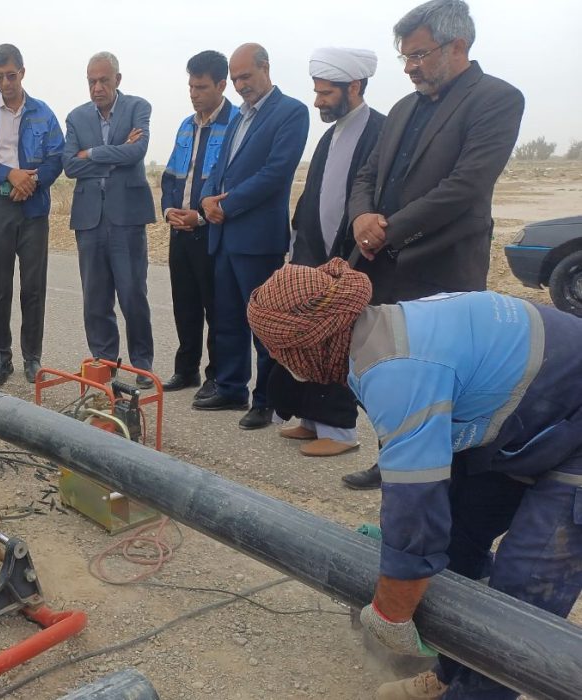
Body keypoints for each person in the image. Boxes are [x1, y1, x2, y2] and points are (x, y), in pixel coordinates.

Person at [248, 259, 582, 700]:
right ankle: (452, 673)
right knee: (460, 537)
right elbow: (422, 489)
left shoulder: (394, 369)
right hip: (532, 418)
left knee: (524, 587)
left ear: (308, 344)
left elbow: (416, 512)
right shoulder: (381, 330)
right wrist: (403, 554)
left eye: (279, 352)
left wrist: (389, 612)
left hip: (566, 419)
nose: (280, 362)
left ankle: (475, 693)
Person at [341, 0, 525, 489]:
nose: (410, 69)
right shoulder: (403, 109)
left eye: (419, 56)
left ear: (457, 45)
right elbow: (367, 173)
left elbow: (467, 185)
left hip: (442, 267)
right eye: (405, 58)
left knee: (442, 377)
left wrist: (390, 227)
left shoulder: (497, 99)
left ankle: (445, 475)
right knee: (388, 368)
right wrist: (362, 215)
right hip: (381, 266)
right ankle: (394, 461)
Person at [270, 47, 385, 458]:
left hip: (350, 260)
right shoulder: (330, 134)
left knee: (338, 342)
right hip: (314, 254)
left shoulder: (380, 132)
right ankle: (311, 419)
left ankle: (340, 431)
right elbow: (315, 196)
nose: (317, 101)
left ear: (353, 87)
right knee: (310, 338)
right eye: (316, 92)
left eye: (325, 93)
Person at [194, 43, 309, 428]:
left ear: (265, 68)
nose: (240, 85)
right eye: (236, 78)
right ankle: (230, 387)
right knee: (226, 318)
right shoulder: (239, 118)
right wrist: (207, 199)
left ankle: (267, 400)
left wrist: (226, 205)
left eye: (246, 76)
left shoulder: (291, 112)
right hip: (224, 237)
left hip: (257, 239)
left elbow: (276, 173)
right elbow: (220, 168)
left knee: (264, 324)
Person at [0, 43, 65, 387]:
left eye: (10, 75)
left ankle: (32, 358)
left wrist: (30, 182)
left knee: (33, 287)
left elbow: (56, 157)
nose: (5, 83)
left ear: (22, 71)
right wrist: (9, 175)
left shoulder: (43, 113)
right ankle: (0, 360)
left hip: (33, 207)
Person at [63, 51, 157, 387]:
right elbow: (70, 166)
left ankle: (142, 365)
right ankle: (104, 362)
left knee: (133, 293)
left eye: (104, 80)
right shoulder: (76, 118)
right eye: (92, 81)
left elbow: (137, 152)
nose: (98, 87)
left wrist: (92, 154)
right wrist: (114, 154)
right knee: (95, 296)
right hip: (89, 219)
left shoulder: (137, 107)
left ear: (118, 79)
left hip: (127, 217)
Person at [159, 51, 239, 397]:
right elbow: (172, 174)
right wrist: (169, 211)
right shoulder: (185, 125)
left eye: (202, 87)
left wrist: (201, 216)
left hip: (213, 231)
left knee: (216, 308)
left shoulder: (237, 123)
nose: (194, 93)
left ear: (221, 85)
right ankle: (186, 370)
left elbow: (232, 182)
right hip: (180, 229)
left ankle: (216, 377)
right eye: (191, 85)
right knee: (185, 303)